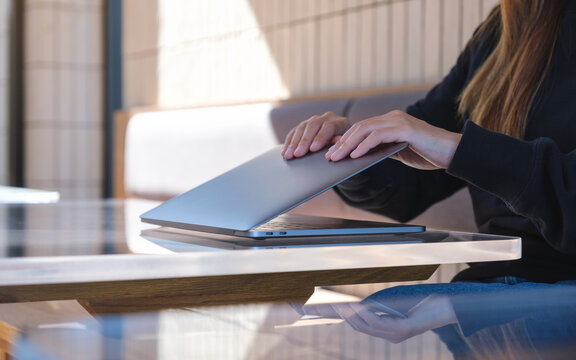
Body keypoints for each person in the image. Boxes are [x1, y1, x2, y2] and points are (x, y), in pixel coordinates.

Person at [282, 0, 576, 343]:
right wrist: (348, 152)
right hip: (488, 294)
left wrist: (455, 148)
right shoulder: (505, 27)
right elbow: (409, 182)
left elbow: (440, 144)